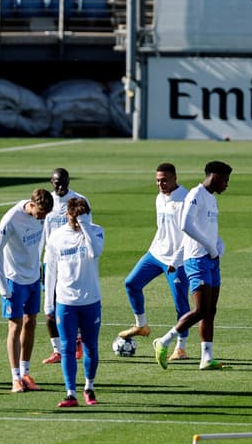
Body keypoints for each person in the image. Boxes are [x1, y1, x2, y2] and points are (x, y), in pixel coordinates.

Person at [152, 161, 233, 371]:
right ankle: (164, 341)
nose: (226, 184)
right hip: (197, 259)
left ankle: (206, 357)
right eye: (225, 180)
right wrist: (209, 247)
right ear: (215, 176)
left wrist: (218, 244)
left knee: (210, 310)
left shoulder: (212, 199)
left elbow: (207, 229)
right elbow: (185, 226)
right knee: (200, 309)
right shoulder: (195, 195)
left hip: (211, 259)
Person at [118, 163, 192, 361]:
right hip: (156, 254)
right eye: (158, 180)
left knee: (180, 303)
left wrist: (176, 260)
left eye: (164, 180)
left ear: (175, 178)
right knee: (131, 283)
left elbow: (188, 235)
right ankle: (141, 325)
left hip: (177, 261)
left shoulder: (185, 199)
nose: (160, 184)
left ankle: (181, 347)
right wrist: (153, 249)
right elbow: (162, 228)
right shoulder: (159, 198)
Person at [43, 197, 105, 407]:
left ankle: (89, 386)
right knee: (67, 348)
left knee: (91, 347)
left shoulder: (96, 231)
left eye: (82, 218)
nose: (77, 223)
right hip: (65, 301)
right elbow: (50, 271)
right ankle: (70, 393)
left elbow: (95, 251)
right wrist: (48, 303)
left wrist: (85, 225)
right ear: (67, 214)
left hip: (90, 300)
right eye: (74, 218)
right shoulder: (56, 237)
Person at [0, 188, 53, 393]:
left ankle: (26, 373)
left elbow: (41, 241)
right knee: (15, 326)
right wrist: (2, 286)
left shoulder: (41, 216)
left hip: (33, 278)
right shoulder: (11, 219)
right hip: (14, 280)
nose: (42, 217)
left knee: (31, 322)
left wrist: (39, 265)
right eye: (41, 213)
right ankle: (15, 377)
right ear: (32, 204)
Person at [41, 168, 91, 364]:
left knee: (73, 302)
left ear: (69, 181)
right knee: (49, 306)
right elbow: (41, 233)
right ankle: (57, 350)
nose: (60, 186)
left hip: (71, 262)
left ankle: (78, 342)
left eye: (63, 182)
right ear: (51, 182)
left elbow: (87, 231)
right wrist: (38, 260)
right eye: (57, 183)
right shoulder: (46, 202)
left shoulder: (79, 201)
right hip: (50, 261)